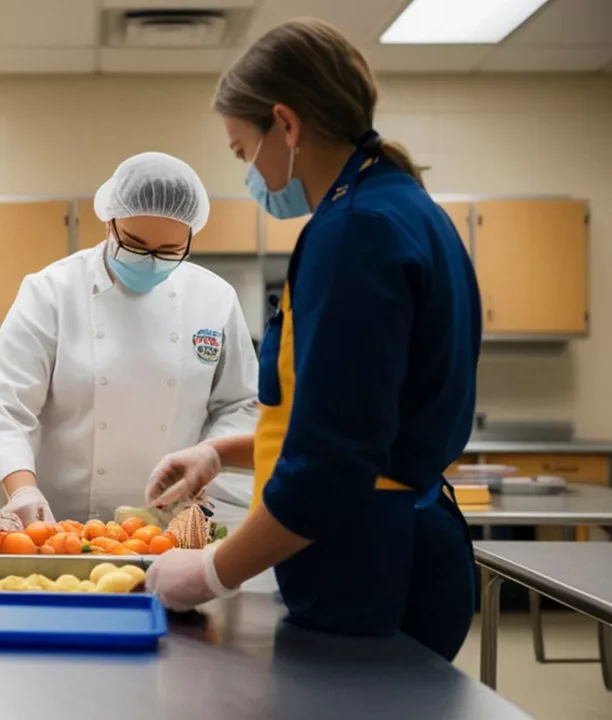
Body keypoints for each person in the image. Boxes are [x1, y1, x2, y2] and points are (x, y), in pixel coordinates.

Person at [144, 19, 481, 662]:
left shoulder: (353, 233)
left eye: (244, 152)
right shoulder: (406, 208)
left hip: (366, 563)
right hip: (399, 543)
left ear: (287, 125)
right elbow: (360, 421)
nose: (250, 171)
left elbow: (335, 462)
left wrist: (212, 569)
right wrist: (222, 452)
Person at [0, 151, 260, 526]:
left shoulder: (214, 299)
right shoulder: (51, 291)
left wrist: (210, 456)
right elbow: (5, 410)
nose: (150, 260)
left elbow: (239, 405)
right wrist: (22, 490)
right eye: (135, 244)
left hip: (170, 525)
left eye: (169, 251)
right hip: (58, 525)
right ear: (109, 222)